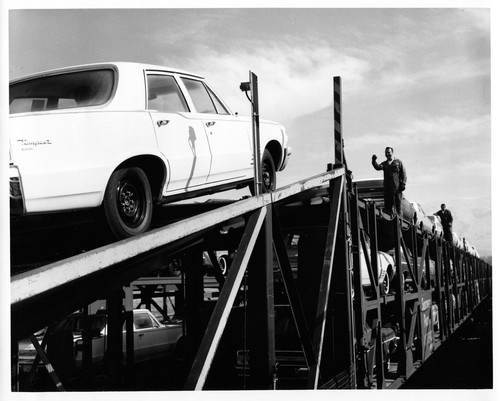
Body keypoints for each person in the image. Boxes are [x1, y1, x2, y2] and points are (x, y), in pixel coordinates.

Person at [372, 147, 407, 216]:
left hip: (397, 188)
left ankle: (399, 222)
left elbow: (403, 173)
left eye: (389, 152)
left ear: (392, 153)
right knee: (388, 207)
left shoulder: (398, 162)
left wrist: (403, 183)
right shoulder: (384, 164)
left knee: (398, 206)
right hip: (387, 188)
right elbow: (378, 167)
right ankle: (390, 223)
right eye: (386, 153)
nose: (387, 154)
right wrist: (374, 161)